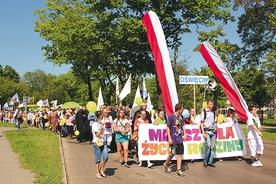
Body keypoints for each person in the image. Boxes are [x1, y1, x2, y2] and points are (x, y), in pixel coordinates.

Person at [163, 103, 186, 177]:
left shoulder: (181, 117)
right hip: (173, 138)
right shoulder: (171, 117)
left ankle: (179, 169)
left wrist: (184, 134)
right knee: (172, 153)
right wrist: (169, 137)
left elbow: (183, 126)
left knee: (180, 154)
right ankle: (166, 163)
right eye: (182, 109)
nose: (182, 110)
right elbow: (168, 127)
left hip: (179, 138)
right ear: (179, 109)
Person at [92, 111, 108, 179]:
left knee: (106, 157)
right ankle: (97, 172)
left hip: (103, 141)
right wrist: (101, 130)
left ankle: (101, 169)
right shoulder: (95, 124)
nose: (102, 116)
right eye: (101, 115)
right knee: (98, 158)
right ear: (99, 116)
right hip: (97, 142)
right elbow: (97, 134)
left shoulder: (101, 123)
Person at [200, 100, 217, 167]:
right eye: (211, 104)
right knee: (209, 145)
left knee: (212, 147)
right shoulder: (204, 112)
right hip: (206, 130)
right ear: (207, 105)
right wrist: (203, 132)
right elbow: (201, 122)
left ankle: (210, 161)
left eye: (212, 104)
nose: (212, 105)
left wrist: (215, 127)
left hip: (212, 131)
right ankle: (205, 160)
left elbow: (215, 121)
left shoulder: (214, 113)